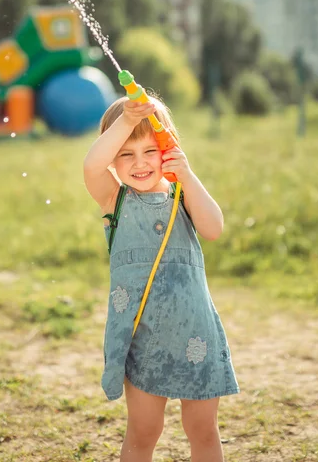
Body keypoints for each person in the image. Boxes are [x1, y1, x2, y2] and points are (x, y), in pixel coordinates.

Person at [83, 94, 240, 462]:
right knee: (143, 432)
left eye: (150, 150)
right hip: (142, 339)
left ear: (168, 147)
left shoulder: (183, 196)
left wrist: (185, 174)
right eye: (126, 153)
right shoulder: (114, 200)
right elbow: (92, 165)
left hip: (194, 334)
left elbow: (214, 228)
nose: (139, 163)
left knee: (203, 429)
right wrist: (127, 120)